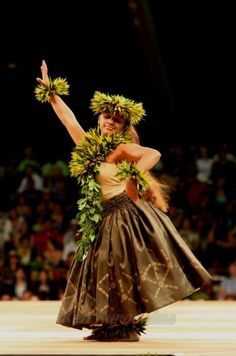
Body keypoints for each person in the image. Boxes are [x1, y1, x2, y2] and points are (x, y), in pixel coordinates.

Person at [35, 60, 212, 342]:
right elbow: (68, 119)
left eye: (116, 119)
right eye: (106, 116)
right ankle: (107, 325)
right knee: (99, 268)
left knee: (119, 268)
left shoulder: (121, 149)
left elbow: (152, 154)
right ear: (98, 119)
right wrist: (52, 92)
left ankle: (124, 326)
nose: (109, 121)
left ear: (122, 126)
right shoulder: (88, 147)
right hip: (101, 216)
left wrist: (135, 173)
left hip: (123, 215)